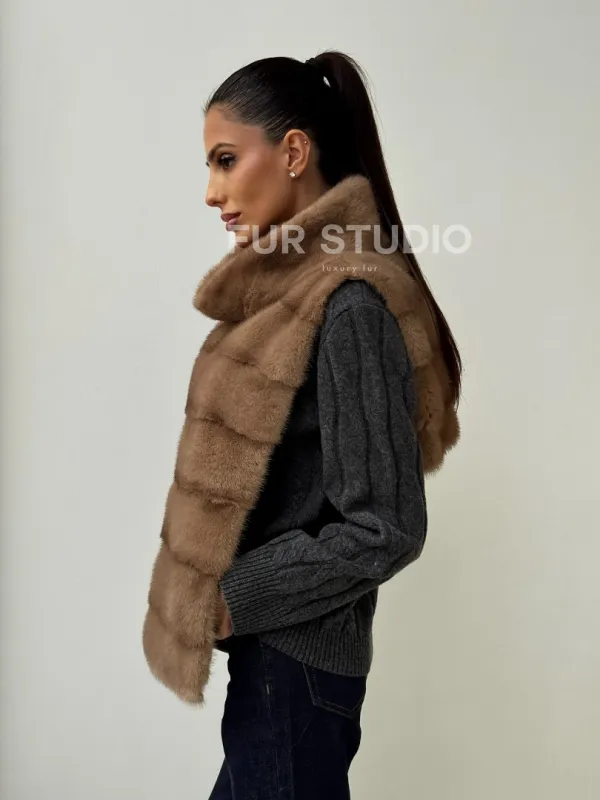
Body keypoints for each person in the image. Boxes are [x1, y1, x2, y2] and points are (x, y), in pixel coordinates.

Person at [144, 50, 461, 800]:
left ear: (293, 152)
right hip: (277, 669)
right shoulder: (289, 300)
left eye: (226, 160)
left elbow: (387, 526)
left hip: (295, 673)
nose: (211, 191)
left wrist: (234, 596)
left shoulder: (348, 305)